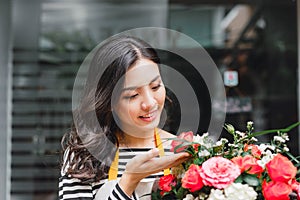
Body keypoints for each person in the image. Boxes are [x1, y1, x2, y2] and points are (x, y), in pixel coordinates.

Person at [59, 35, 190, 200]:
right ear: (109, 101)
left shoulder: (182, 152)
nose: (149, 103)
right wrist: (129, 180)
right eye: (133, 95)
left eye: (155, 86)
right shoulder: (83, 157)